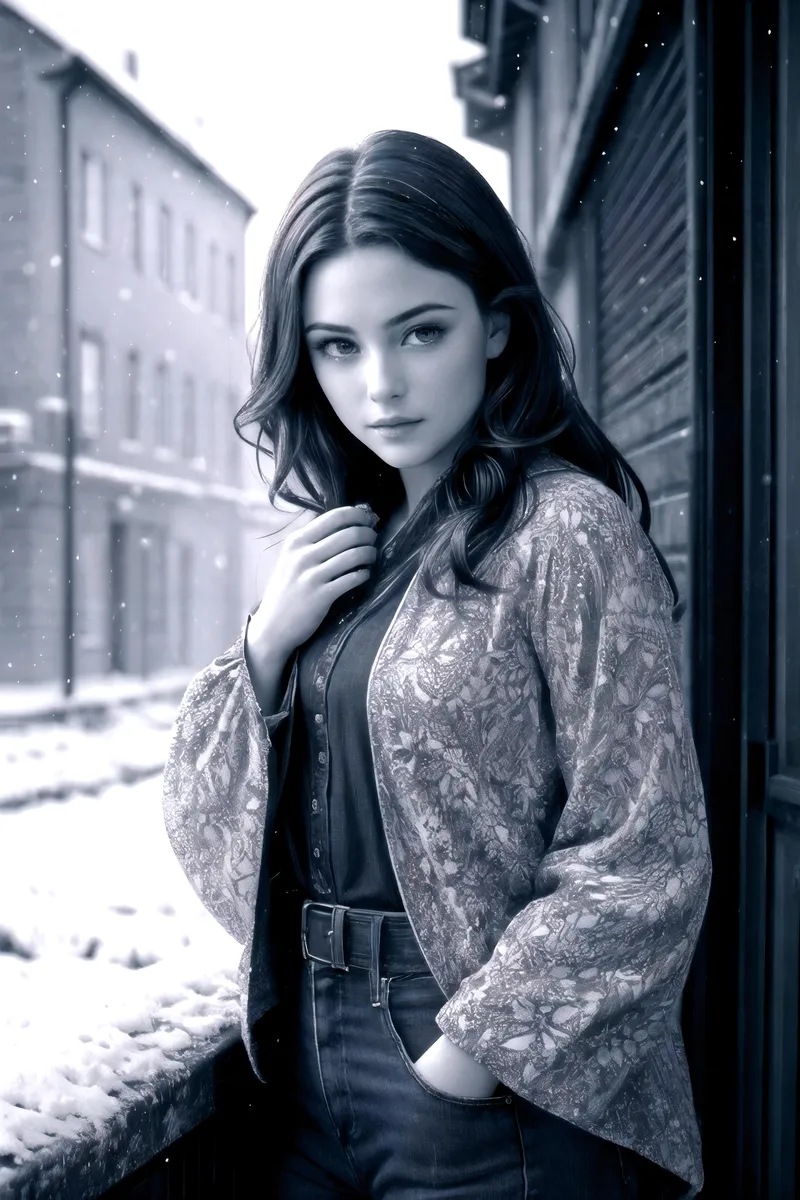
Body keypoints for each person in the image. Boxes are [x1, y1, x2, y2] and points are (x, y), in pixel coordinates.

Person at [161, 129, 711, 1199]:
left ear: (496, 328)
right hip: (306, 1066)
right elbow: (199, 818)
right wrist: (265, 648)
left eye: (419, 332)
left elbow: (645, 849)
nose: (380, 387)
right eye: (335, 346)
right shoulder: (340, 549)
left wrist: (470, 1057)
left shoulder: (566, 532)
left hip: (476, 1075)